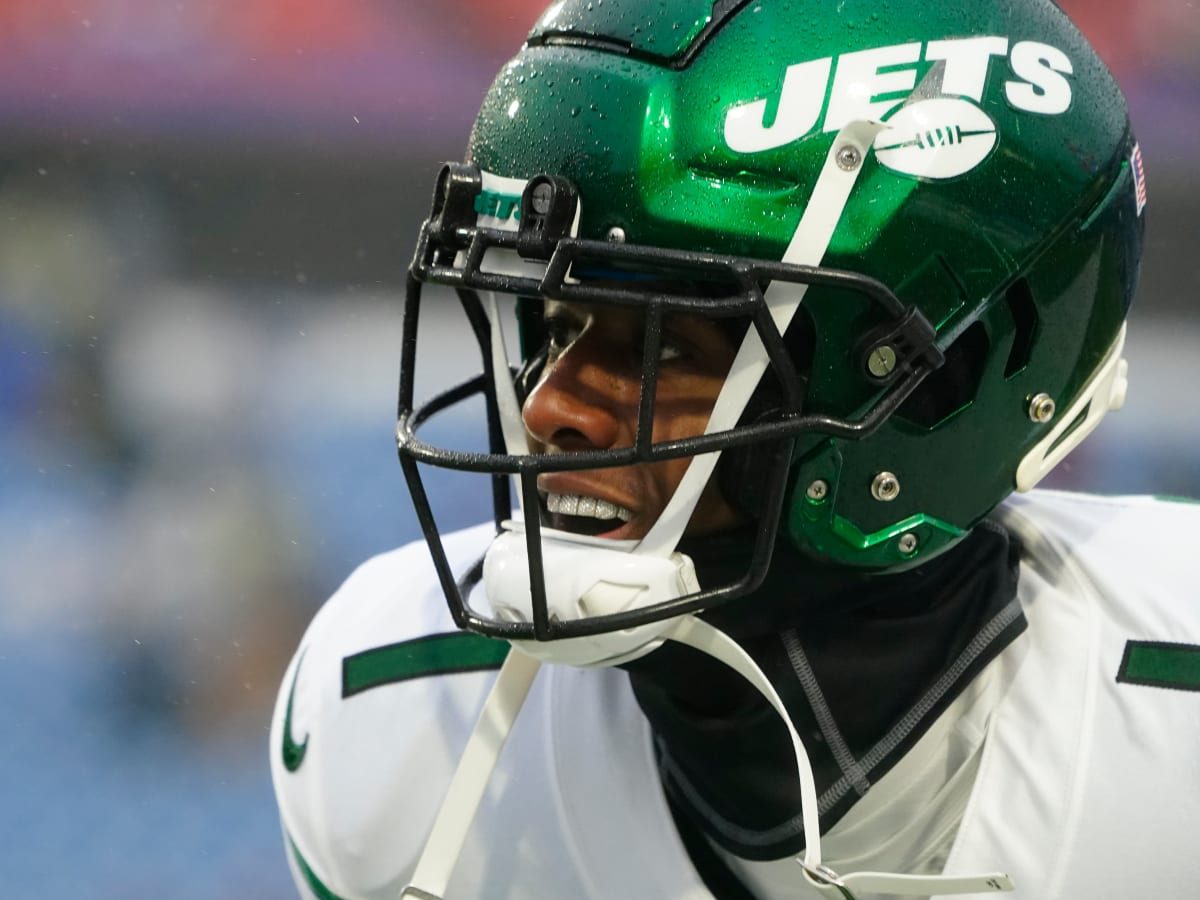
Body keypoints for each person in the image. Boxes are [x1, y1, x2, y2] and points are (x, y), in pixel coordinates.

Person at [270, 2, 1200, 898]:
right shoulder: (386, 717)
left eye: (660, 347)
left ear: (938, 386)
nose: (550, 406)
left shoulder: (1171, 725)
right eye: (555, 327)